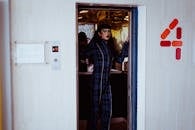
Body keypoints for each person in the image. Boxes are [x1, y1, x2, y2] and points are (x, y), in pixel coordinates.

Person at [81, 22, 129, 130]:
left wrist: (126, 45)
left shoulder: (110, 47)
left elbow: (119, 59)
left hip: (107, 83)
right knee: (94, 111)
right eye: (104, 31)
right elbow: (83, 55)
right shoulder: (94, 45)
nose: (107, 33)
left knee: (108, 111)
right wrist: (85, 58)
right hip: (96, 82)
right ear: (99, 34)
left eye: (109, 31)